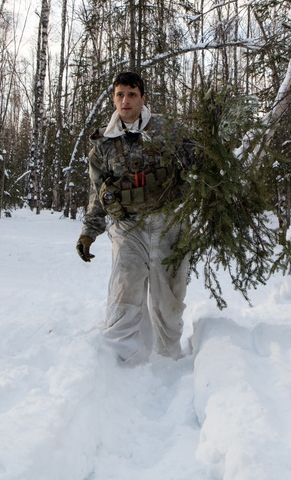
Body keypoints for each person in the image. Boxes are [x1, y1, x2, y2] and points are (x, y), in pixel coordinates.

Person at [76, 71, 193, 364]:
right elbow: (97, 191)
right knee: (123, 294)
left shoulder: (169, 130)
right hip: (128, 228)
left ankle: (170, 362)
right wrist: (89, 231)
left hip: (170, 225)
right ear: (113, 98)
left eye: (131, 94)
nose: (125, 101)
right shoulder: (103, 143)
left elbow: (200, 163)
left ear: (142, 97)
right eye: (119, 95)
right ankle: (119, 364)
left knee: (170, 301)